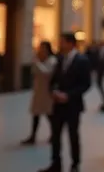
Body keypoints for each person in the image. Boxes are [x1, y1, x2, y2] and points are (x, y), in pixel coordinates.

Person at [39, 33, 92, 172]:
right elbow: (54, 80)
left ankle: (75, 164)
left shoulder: (82, 60)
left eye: (62, 42)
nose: (60, 45)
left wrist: (69, 95)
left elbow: (86, 84)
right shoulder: (59, 59)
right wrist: (53, 91)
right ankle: (56, 163)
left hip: (73, 105)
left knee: (73, 135)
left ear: (70, 43)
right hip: (58, 104)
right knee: (55, 135)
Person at [22, 41, 57, 145]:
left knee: (49, 114)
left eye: (43, 48)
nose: (41, 50)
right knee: (36, 114)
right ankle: (33, 136)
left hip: (47, 90)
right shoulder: (39, 59)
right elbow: (34, 72)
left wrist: (37, 62)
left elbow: (46, 72)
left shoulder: (52, 60)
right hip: (38, 90)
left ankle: (54, 134)